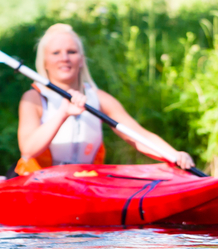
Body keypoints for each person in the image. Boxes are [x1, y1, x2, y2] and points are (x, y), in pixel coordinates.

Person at [15, 23, 194, 176]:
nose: (64, 58)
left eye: (71, 52)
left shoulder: (99, 98)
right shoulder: (33, 99)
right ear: (45, 61)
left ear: (81, 60)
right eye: (56, 53)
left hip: (83, 182)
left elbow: (137, 136)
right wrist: (63, 114)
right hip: (38, 182)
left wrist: (173, 154)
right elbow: (28, 150)